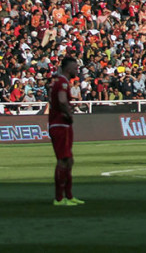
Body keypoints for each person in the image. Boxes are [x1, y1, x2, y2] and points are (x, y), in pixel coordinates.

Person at [49, 56, 84, 206]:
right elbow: (62, 100)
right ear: (69, 68)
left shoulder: (60, 81)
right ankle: (59, 198)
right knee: (63, 160)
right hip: (60, 125)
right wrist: (68, 114)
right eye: (75, 68)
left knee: (68, 160)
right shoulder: (62, 82)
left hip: (61, 125)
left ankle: (69, 196)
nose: (77, 70)